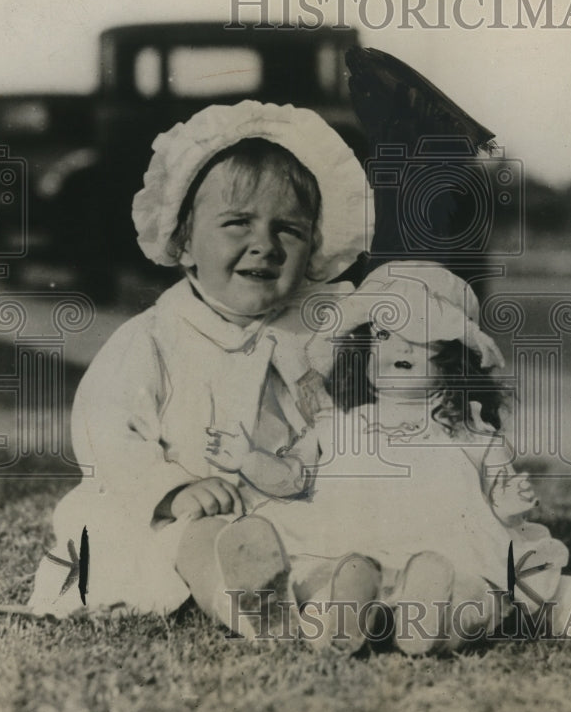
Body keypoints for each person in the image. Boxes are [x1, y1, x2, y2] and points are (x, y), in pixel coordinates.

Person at [27, 100, 374, 636]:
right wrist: (169, 489)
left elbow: (342, 416)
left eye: (289, 229)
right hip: (173, 513)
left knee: (331, 536)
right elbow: (106, 431)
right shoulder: (154, 338)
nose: (264, 244)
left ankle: (332, 601)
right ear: (184, 241)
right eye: (237, 223)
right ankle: (253, 610)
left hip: (281, 500)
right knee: (195, 543)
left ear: (315, 247)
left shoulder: (314, 336)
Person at [237, 262, 571, 654]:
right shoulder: (339, 425)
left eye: (421, 335)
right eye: (386, 334)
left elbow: (502, 501)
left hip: (448, 562)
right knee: (330, 575)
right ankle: (329, 616)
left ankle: (429, 620)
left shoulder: (471, 433)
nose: (401, 348)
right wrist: (247, 459)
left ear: (453, 359)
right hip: (353, 554)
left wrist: (511, 504)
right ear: (364, 350)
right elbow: (290, 477)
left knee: (473, 591)